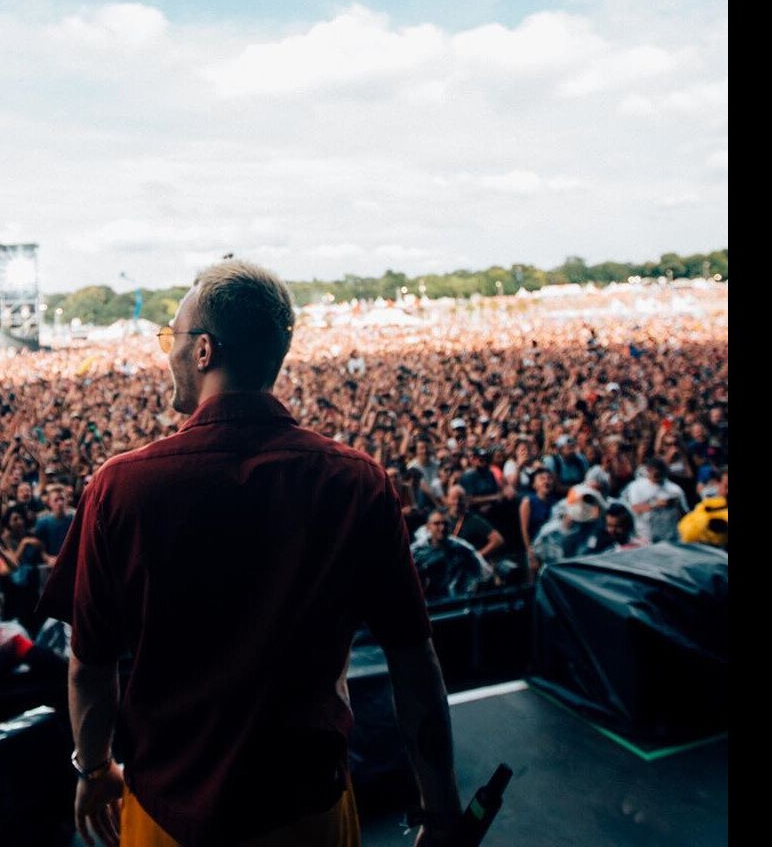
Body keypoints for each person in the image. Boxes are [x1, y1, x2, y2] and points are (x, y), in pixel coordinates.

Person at [38, 260, 461, 847]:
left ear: (204, 350)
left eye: (172, 337)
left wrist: (92, 767)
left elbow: (90, 665)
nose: (168, 353)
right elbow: (414, 661)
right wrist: (441, 811)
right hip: (309, 813)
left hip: (168, 816)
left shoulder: (122, 487)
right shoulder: (356, 481)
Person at [410, 512, 493, 601]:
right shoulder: (416, 552)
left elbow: (483, 572)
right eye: (437, 524)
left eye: (445, 524)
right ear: (428, 526)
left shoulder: (462, 548)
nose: (442, 528)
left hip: (457, 601)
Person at [620, 458, 688, 544]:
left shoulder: (675, 489)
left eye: (661, 472)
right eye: (656, 473)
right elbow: (635, 508)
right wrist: (656, 504)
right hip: (645, 538)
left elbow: (685, 513)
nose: (658, 476)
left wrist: (676, 505)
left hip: (671, 537)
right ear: (648, 470)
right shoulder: (636, 487)